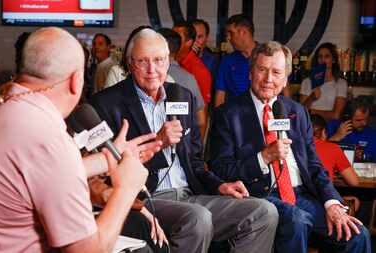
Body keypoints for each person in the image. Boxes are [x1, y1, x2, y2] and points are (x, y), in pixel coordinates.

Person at [90, 28, 278, 253]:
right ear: (130, 64)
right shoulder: (107, 103)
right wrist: (159, 142)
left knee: (264, 212)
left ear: (169, 62)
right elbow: (108, 174)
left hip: (190, 195)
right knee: (197, 219)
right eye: (143, 61)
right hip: (147, 200)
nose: (152, 70)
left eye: (159, 60)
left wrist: (220, 184)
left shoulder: (182, 95)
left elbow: (195, 162)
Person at [0, 27, 159, 253]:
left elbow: (39, 170)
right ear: (76, 80)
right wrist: (126, 189)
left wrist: (106, 158)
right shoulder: (49, 139)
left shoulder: (8, 109)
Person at [209, 41, 371, 253]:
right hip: (260, 197)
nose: (268, 79)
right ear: (250, 73)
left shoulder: (297, 111)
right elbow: (220, 169)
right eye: (262, 70)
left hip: (302, 196)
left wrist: (332, 203)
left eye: (276, 72)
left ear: (285, 78)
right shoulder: (228, 113)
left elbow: (314, 166)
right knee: (297, 221)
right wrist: (263, 157)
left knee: (357, 234)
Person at [157, 28, 207, 145]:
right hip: (183, 147)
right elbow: (201, 121)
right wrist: (195, 153)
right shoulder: (189, 79)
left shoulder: (145, 75)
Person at [214, 14, 256, 107]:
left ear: (243, 32)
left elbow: (284, 88)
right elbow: (220, 95)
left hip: (264, 116)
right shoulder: (227, 61)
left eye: (231, 33)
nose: (228, 38)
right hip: (235, 117)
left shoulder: (267, 56)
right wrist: (219, 119)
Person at [299, 42, 347, 121]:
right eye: (320, 56)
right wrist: (311, 97)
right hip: (310, 127)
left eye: (327, 56)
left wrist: (312, 111)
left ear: (333, 59)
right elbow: (301, 112)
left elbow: (336, 115)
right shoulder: (307, 82)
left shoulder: (340, 83)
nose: (323, 59)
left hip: (330, 128)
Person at [311, 114, 359, 186]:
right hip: (323, 195)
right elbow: (354, 182)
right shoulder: (333, 148)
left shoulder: (292, 147)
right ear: (324, 132)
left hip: (298, 195)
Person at [327, 97, 376, 162]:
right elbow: (320, 155)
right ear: (347, 118)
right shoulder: (332, 127)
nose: (364, 123)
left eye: (366, 119)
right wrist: (336, 137)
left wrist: (363, 156)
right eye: (358, 120)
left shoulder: (371, 134)